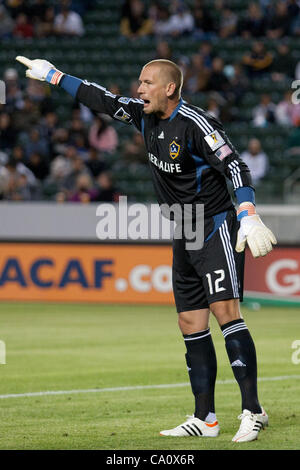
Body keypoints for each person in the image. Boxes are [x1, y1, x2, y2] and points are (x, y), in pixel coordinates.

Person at [16, 55, 277, 442]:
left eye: (147, 83)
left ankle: (252, 411)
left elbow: (234, 165)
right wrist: (55, 76)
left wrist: (248, 213)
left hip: (215, 224)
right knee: (190, 322)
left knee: (225, 312)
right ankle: (204, 418)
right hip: (183, 229)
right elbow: (102, 99)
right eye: (139, 83)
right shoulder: (143, 116)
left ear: (169, 88)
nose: (139, 89)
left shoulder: (197, 124)